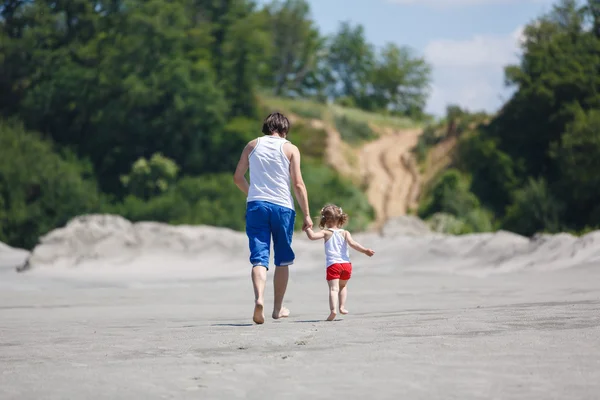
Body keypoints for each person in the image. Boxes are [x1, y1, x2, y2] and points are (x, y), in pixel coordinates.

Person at [233, 112, 313, 325]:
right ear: (285, 130)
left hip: (256, 205)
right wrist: (307, 214)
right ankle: (277, 309)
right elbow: (298, 184)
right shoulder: (290, 148)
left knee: (259, 256)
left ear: (266, 128)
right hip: (282, 207)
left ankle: (259, 298)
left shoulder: (252, 145)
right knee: (282, 259)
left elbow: (237, 177)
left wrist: (252, 193)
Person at [305, 204, 375, 321]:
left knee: (333, 289)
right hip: (346, 265)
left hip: (333, 265)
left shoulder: (326, 233)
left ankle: (333, 311)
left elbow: (312, 236)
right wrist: (365, 250)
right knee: (343, 286)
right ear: (339, 218)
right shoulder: (345, 232)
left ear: (325, 220)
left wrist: (307, 227)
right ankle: (342, 307)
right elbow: (353, 244)